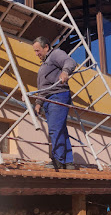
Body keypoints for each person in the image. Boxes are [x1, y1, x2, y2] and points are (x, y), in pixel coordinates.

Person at [32, 36, 77, 170]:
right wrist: (39, 103)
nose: (36, 54)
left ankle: (57, 160)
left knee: (55, 129)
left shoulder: (55, 54)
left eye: (38, 50)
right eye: (35, 51)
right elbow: (43, 87)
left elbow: (70, 61)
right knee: (60, 129)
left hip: (57, 96)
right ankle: (68, 162)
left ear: (46, 47)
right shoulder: (45, 64)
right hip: (48, 98)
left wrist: (65, 71)